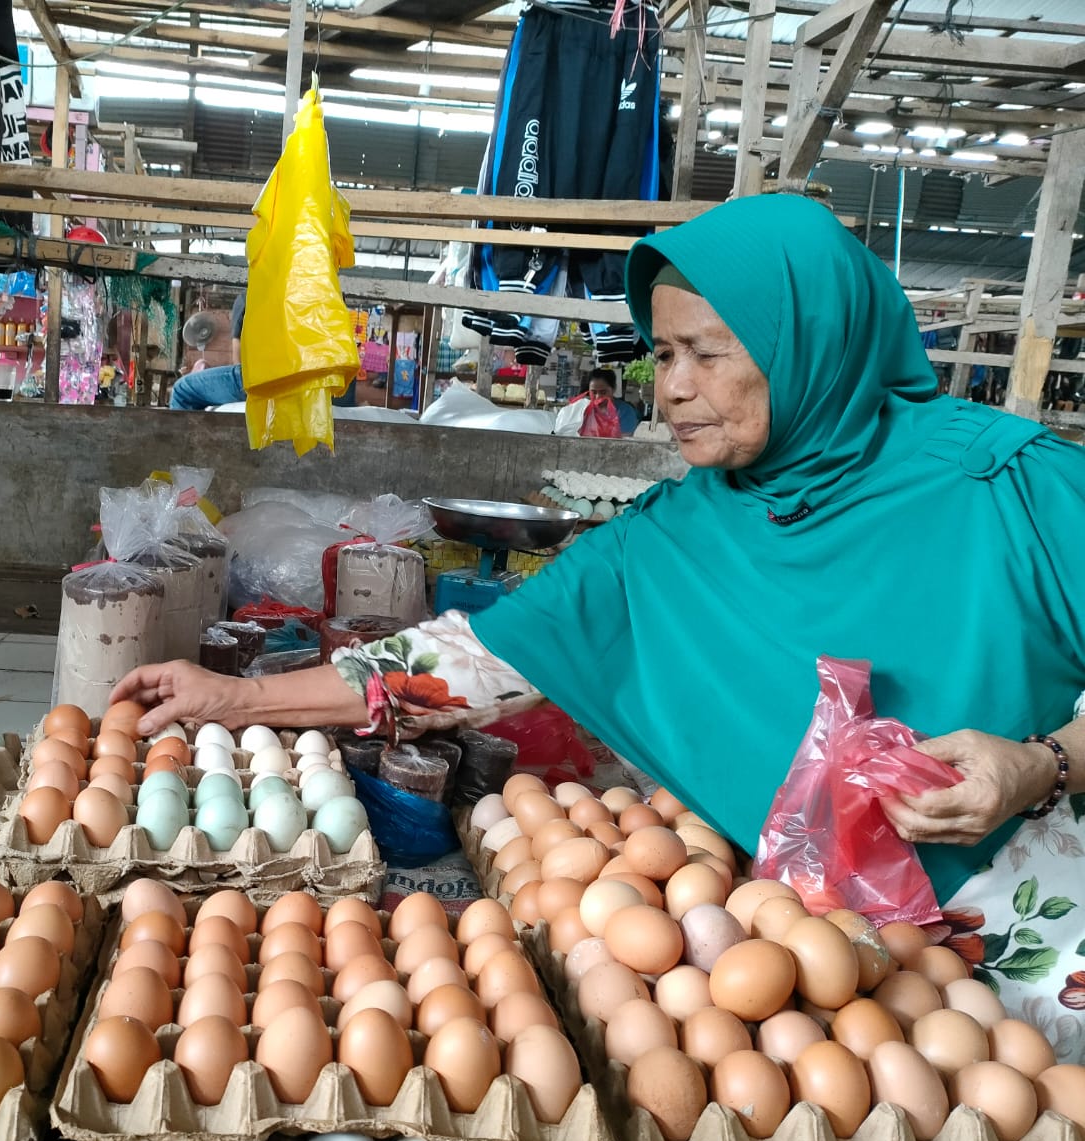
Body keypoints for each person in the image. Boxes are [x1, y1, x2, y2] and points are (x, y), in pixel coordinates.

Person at [114, 194, 1085, 1056]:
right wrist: (240, 695)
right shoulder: (677, 539)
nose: (670, 388)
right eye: (661, 353)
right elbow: (475, 659)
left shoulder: (1007, 488)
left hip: (1030, 939)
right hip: (827, 972)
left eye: (707, 352)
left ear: (809, 339)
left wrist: (1041, 760)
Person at [169, 291, 357, 411]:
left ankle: (182, 462)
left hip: (279, 376)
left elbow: (238, 348)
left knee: (182, 390)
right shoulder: (330, 291)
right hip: (335, 382)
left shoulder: (249, 296)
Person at [552, 369, 622, 437]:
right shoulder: (581, 409)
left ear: (614, 389)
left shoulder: (624, 412)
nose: (598, 397)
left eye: (603, 392)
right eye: (593, 392)